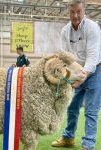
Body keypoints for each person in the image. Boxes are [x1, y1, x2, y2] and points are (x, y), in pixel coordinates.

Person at [51, 0, 101, 150]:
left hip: (95, 71)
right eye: (72, 12)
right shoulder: (65, 31)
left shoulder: (92, 28)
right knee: (72, 106)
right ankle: (68, 138)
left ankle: (88, 144)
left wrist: (82, 77)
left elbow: (93, 57)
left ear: (84, 10)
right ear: (68, 11)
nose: (76, 15)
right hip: (76, 72)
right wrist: (70, 76)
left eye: (79, 11)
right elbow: (66, 57)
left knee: (91, 110)